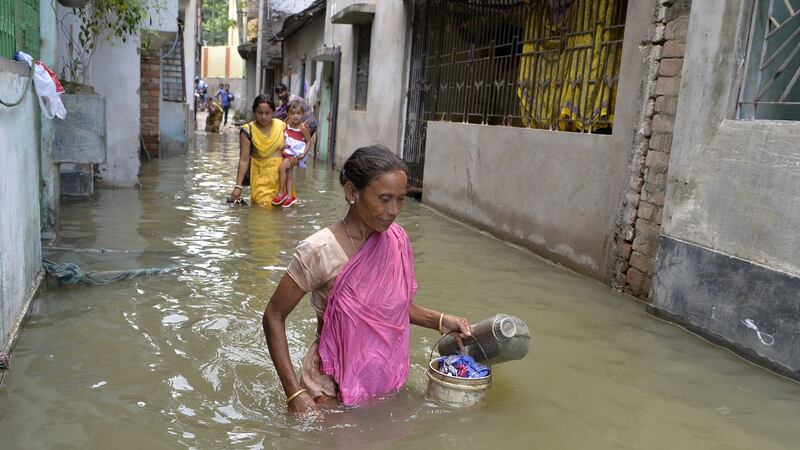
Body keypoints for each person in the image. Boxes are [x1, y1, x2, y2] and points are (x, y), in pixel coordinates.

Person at [262, 145, 472, 414]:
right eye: (384, 199)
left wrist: (441, 321)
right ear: (352, 192)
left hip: (383, 379)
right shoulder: (319, 251)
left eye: (401, 199)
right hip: (329, 389)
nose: (394, 210)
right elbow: (274, 315)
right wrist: (294, 393)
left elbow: (389, 308)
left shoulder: (396, 241)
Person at [230, 95, 289, 206]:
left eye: (267, 113)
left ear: (273, 112)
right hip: (260, 177)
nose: (263, 116)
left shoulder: (281, 126)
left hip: (281, 178)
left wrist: (295, 159)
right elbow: (244, 160)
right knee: (262, 207)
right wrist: (238, 186)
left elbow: (292, 148)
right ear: (254, 112)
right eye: (259, 112)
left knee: (283, 211)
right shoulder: (248, 131)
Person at [272, 101, 314, 208]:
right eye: (293, 113)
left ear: (302, 115)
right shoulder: (287, 124)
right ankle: (290, 196)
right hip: (288, 150)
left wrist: (303, 155)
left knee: (281, 168)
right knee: (289, 173)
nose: (296, 116)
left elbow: (309, 142)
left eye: (298, 113)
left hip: (296, 153)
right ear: (288, 114)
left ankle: (282, 192)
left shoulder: (303, 127)